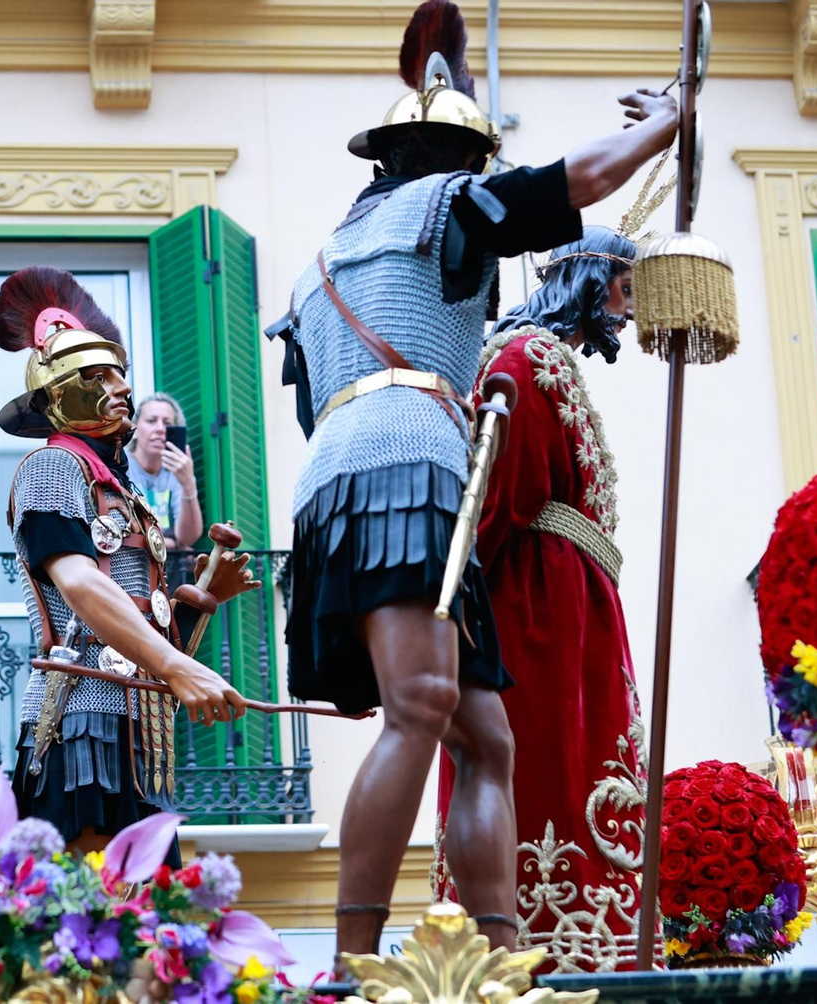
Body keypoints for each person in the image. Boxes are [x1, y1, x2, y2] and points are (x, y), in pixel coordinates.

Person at [276, 0, 677, 962]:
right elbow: (578, 181)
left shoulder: (316, 271)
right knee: (422, 705)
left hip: (334, 484)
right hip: (410, 468)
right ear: (455, 160)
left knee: (486, 738)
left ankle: (500, 956)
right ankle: (353, 962)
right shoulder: (445, 208)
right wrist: (668, 125)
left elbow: (310, 407)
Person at [434, 226, 645, 972]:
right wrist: (457, 614)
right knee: (544, 764)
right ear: (589, 282)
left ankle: (596, 939)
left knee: (586, 766)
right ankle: (538, 945)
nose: (629, 310)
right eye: (625, 289)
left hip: (574, 608)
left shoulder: (548, 361)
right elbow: (495, 502)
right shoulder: (522, 359)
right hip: (536, 614)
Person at [0, 267, 254, 857]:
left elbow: (142, 627)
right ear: (56, 398)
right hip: (81, 719)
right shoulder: (52, 467)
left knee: (147, 904)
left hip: (140, 728)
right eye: (98, 377)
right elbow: (81, 585)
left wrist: (205, 600)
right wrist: (174, 664)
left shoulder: (123, 491)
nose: (121, 387)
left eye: (119, 374)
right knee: (95, 899)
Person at [126, 393, 203, 586]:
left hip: (169, 580)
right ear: (135, 428)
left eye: (167, 423)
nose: (160, 429)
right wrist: (174, 544)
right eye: (151, 421)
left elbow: (188, 537)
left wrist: (188, 484)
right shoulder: (121, 466)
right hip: (130, 572)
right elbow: (125, 533)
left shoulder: (177, 471)